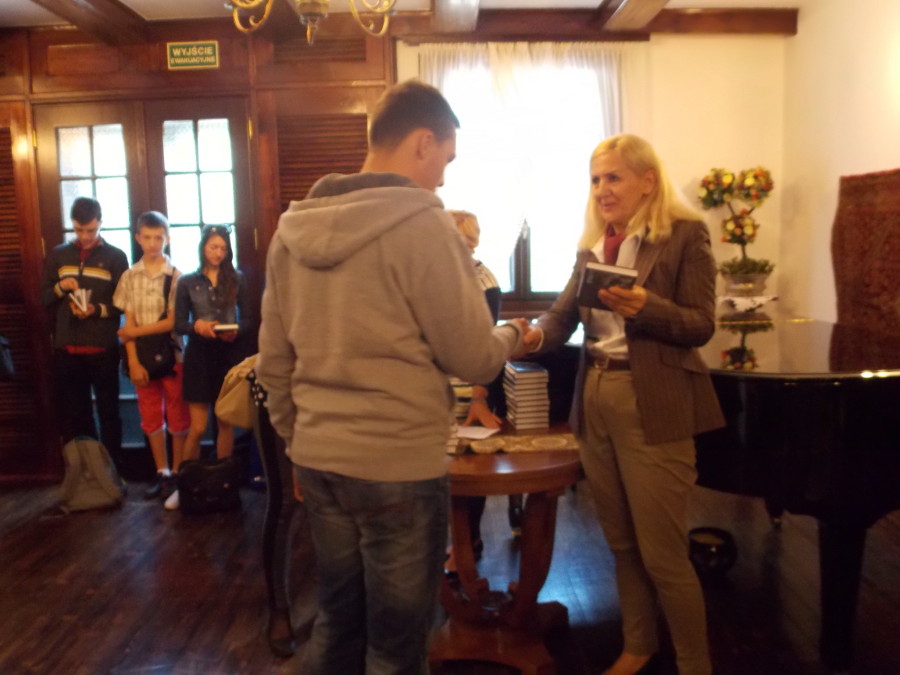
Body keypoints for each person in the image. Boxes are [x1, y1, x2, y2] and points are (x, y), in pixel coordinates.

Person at [256, 79, 528, 675]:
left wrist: (299, 443)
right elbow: (474, 358)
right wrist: (516, 334)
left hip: (320, 459)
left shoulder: (291, 231)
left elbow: (272, 361)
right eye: (446, 160)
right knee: (396, 650)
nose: (443, 180)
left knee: (337, 623)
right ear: (423, 142)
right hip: (398, 464)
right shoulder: (424, 225)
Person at [521, 134, 725, 675]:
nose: (602, 190)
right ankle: (638, 645)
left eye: (614, 177)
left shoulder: (684, 236)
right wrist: (529, 335)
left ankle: (695, 664)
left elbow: (701, 325)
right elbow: (561, 317)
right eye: (595, 179)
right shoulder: (594, 246)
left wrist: (646, 307)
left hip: (652, 400)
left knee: (663, 554)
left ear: (647, 181)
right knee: (622, 545)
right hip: (595, 397)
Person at [40, 197, 128, 470]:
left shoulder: (116, 257)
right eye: (79, 230)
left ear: (100, 223)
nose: (85, 236)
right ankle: (87, 472)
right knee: (77, 414)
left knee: (109, 411)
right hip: (67, 348)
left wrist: (96, 310)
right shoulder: (58, 255)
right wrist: (60, 287)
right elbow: (44, 298)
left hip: (103, 347)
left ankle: (113, 471)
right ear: (73, 225)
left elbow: (124, 304)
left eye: (91, 230)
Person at [170, 224, 251, 510]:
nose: (218, 253)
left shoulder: (237, 278)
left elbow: (249, 321)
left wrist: (235, 331)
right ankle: (183, 486)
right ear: (203, 247)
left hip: (228, 355)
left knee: (225, 422)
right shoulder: (187, 281)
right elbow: (179, 324)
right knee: (198, 426)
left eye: (223, 248)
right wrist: (198, 326)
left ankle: (224, 484)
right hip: (199, 357)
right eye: (213, 247)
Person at [113, 211, 190, 502]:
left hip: (172, 356)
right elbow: (127, 320)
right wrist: (132, 361)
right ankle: (162, 471)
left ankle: (180, 473)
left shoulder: (177, 276)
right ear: (138, 238)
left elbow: (172, 322)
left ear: (167, 239)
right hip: (141, 358)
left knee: (178, 414)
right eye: (147, 237)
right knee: (150, 416)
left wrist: (133, 333)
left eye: (158, 237)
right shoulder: (129, 276)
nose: (153, 243)